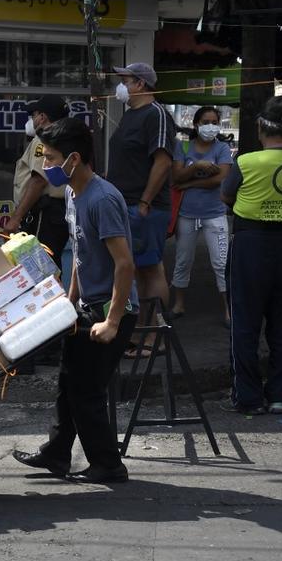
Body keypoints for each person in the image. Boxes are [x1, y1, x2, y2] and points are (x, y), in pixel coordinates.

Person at [13, 117, 139, 484]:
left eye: (51, 158)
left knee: (86, 389)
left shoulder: (103, 199)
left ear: (74, 158)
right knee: (69, 382)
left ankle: (108, 465)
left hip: (110, 308)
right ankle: (56, 454)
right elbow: (81, 254)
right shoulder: (71, 192)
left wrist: (113, 321)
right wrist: (67, 304)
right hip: (86, 306)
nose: (46, 166)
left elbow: (125, 264)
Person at [220, 96, 282, 415]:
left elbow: (226, 195)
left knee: (245, 323)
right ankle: (279, 396)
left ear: (261, 126)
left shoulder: (246, 161)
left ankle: (247, 397)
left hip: (252, 242)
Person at [106, 62, 176, 359]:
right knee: (131, 269)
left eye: (125, 80)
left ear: (140, 84)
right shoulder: (130, 115)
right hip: (125, 204)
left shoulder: (156, 114)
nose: (120, 85)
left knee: (150, 268)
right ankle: (136, 334)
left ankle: (154, 338)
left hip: (144, 207)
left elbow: (163, 161)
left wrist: (146, 201)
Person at [169, 105, 233, 327]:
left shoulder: (222, 148)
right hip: (186, 214)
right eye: (206, 122)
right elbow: (176, 177)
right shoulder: (183, 145)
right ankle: (178, 304)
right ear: (196, 124)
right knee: (182, 260)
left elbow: (219, 179)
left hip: (215, 214)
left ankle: (228, 310)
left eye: (214, 122)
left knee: (221, 262)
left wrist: (191, 181)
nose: (210, 126)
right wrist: (198, 165)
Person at [6, 95, 71, 267]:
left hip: (45, 212)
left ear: (42, 117)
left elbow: (38, 181)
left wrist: (16, 218)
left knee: (41, 266)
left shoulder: (44, 140)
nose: (32, 120)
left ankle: (50, 294)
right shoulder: (66, 137)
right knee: (49, 263)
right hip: (58, 211)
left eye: (33, 115)